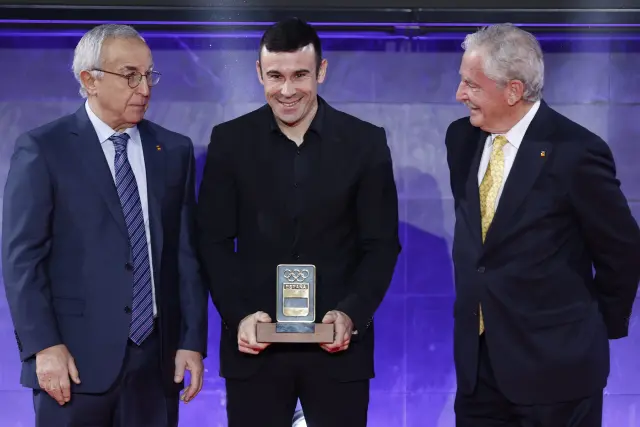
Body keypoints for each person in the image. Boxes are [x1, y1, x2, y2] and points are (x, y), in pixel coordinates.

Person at [196, 17, 401, 427]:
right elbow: (212, 241)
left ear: (321, 71)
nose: (287, 90)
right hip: (255, 348)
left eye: (300, 75)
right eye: (275, 76)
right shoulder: (230, 141)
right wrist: (239, 315)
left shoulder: (365, 142)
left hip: (338, 350)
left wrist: (351, 314)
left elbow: (380, 245)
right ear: (259, 73)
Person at [1, 24, 208, 426]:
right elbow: (22, 260)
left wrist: (191, 341)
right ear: (89, 80)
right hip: (72, 363)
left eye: (149, 75)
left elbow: (186, 256)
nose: (144, 88)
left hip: (156, 363)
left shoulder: (173, 150)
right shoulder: (44, 149)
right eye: (130, 75)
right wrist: (43, 346)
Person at [446, 23, 640, 427]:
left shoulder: (576, 152)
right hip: (479, 371)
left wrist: (592, 328)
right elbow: (482, 243)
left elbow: (622, 249)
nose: (459, 94)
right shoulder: (461, 139)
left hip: (558, 372)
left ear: (513, 91)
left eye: (471, 85)